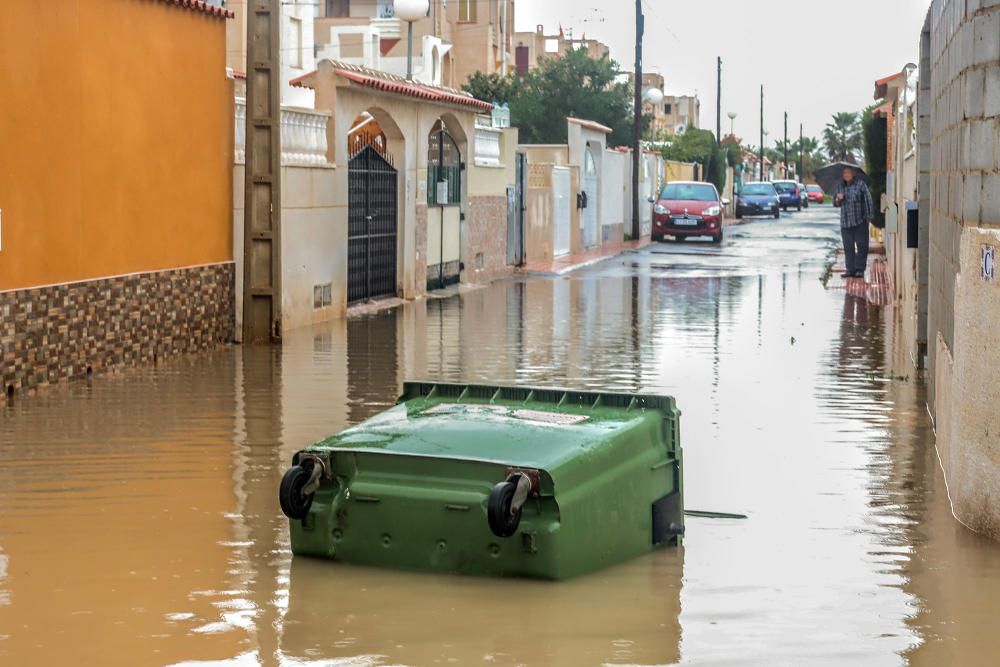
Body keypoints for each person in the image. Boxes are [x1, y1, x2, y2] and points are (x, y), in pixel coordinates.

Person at [833, 166, 874, 279]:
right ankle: (850, 269)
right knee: (848, 247)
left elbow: (868, 200)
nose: (846, 175)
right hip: (845, 222)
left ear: (853, 174)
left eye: (848, 172)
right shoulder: (840, 186)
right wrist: (838, 199)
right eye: (844, 173)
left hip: (860, 220)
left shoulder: (860, 185)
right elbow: (835, 203)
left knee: (862, 246)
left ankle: (860, 269)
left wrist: (869, 216)